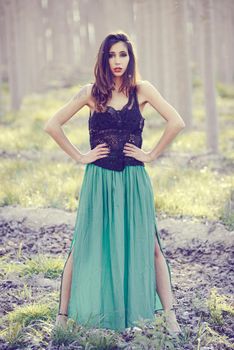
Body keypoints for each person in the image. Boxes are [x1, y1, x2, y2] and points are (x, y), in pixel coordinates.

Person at [44, 31, 185, 334]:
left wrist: (151, 154)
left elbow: (177, 122)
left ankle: (170, 316)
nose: (117, 61)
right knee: (82, 246)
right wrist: (81, 156)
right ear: (103, 59)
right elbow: (52, 125)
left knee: (152, 248)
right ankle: (62, 317)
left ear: (130, 58)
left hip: (134, 181)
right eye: (111, 55)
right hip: (99, 180)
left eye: (123, 54)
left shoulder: (142, 90)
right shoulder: (90, 93)